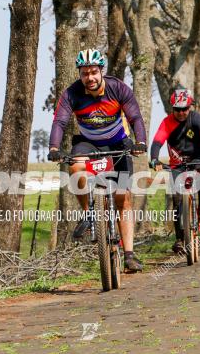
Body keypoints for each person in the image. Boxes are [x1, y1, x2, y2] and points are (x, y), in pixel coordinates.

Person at [48, 49, 148, 273]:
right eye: (85, 73)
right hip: (88, 142)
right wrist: (54, 147)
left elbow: (135, 117)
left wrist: (140, 142)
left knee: (123, 200)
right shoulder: (72, 93)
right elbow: (60, 122)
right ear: (80, 74)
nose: (90, 77)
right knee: (75, 165)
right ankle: (89, 214)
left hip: (118, 144)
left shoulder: (118, 88)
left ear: (101, 71)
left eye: (93, 72)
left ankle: (129, 254)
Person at [149, 88, 200, 255]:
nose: (181, 113)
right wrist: (154, 159)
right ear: (172, 108)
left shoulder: (197, 119)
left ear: (190, 107)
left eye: (184, 109)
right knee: (176, 199)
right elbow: (157, 143)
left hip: (198, 157)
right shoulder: (167, 122)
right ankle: (179, 239)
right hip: (177, 163)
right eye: (177, 109)